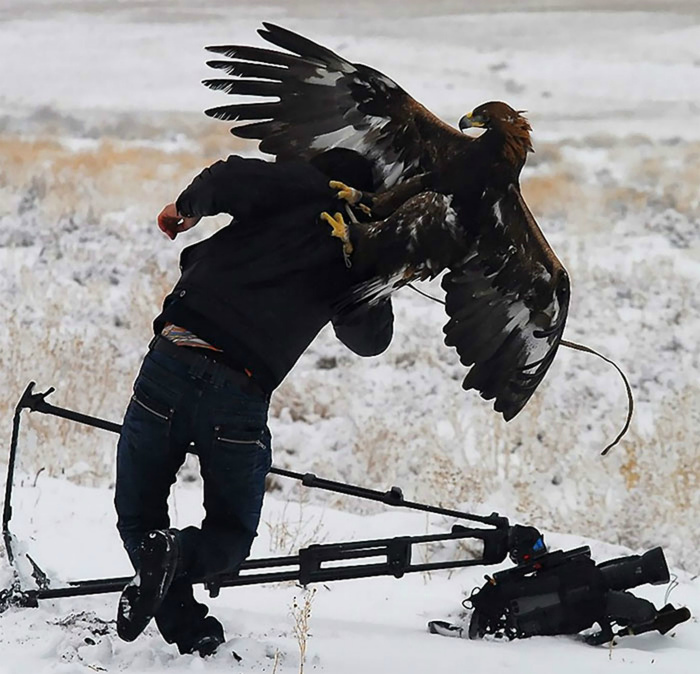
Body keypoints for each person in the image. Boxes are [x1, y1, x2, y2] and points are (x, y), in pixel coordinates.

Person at [113, 149, 394, 657]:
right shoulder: (355, 244)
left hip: (171, 361)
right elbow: (370, 339)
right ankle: (184, 609)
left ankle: (170, 583)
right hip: (237, 394)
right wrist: (371, 263)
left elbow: (229, 176)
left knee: (138, 515)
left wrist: (186, 205)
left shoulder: (296, 185)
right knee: (230, 536)